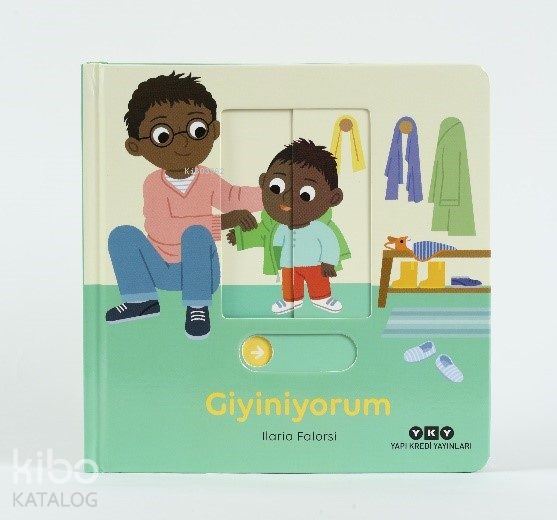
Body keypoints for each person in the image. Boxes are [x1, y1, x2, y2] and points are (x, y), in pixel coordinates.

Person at [106, 72, 262, 339]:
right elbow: (162, 228)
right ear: (136, 146)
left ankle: (197, 306)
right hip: (159, 270)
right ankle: (141, 300)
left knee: (196, 235)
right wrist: (225, 221)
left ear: (214, 131)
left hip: (200, 274)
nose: (182, 142)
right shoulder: (153, 184)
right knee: (122, 235)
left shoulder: (208, 178)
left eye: (196, 130)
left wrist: (272, 195)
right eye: (163, 136)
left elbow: (234, 197)